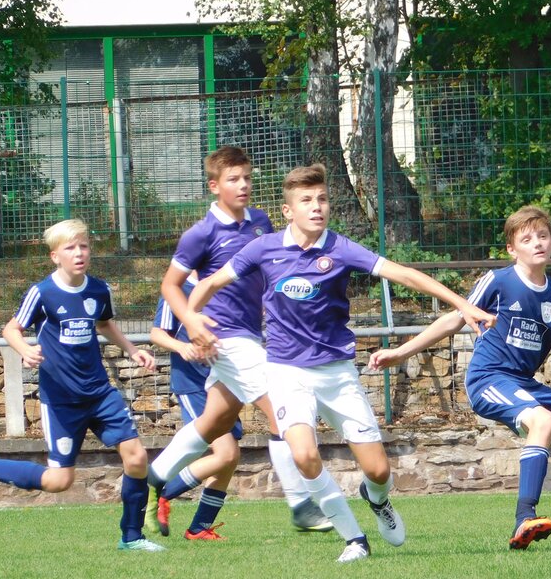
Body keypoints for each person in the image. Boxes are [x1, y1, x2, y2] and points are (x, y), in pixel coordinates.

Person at [184, 163, 495, 563]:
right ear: (287, 210)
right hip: (286, 372)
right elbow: (209, 283)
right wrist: (192, 321)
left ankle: (376, 499)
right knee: (303, 454)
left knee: (378, 471)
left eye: (322, 199)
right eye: (306, 200)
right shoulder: (264, 248)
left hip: (336, 372)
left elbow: (403, 275)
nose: (317, 207)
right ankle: (355, 539)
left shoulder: (341, 248)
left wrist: (462, 304)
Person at [370, 205, 551, 550]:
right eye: (527, 239)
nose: (537, 243)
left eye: (543, 236)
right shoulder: (499, 281)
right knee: (544, 420)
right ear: (511, 248)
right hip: (488, 378)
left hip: (524, 383)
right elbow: (453, 320)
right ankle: (524, 519)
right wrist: (401, 352)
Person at [144, 145, 328, 538]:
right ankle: (301, 504)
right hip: (225, 338)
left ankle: (152, 478)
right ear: (214, 186)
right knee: (282, 411)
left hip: (249, 335)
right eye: (233, 179)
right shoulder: (201, 234)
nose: (243, 184)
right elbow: (170, 286)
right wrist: (192, 321)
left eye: (247, 177)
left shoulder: (260, 221)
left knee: (215, 422)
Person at [0, 219, 164, 552]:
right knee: (59, 481)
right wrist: (25, 350)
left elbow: (105, 324)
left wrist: (132, 349)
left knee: (136, 457)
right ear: (55, 256)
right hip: (62, 400)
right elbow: (11, 330)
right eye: (70, 248)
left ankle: (132, 537)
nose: (79, 253)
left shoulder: (99, 289)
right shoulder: (42, 292)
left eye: (84, 246)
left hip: (100, 393)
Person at [146, 274, 334, 540]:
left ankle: (198, 526)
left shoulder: (230, 281)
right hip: (193, 381)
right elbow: (157, 333)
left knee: (230, 457)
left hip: (229, 373)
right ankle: (160, 491)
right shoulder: (178, 288)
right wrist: (183, 347)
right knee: (227, 452)